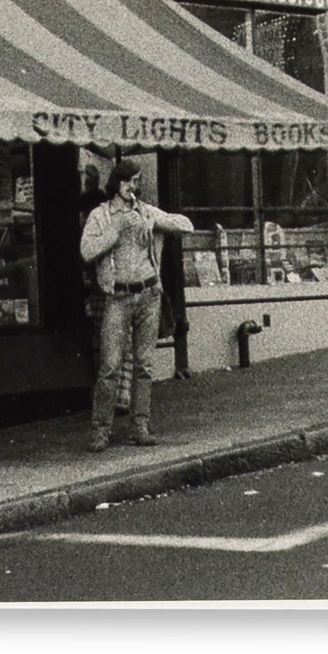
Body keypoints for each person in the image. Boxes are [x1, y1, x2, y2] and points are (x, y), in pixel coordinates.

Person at [78, 158, 193, 452]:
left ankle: (140, 425)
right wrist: (115, 231)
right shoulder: (101, 215)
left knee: (144, 365)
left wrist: (156, 222)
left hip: (148, 294)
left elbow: (186, 225)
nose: (134, 187)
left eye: (138, 181)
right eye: (130, 181)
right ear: (117, 183)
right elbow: (87, 251)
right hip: (117, 296)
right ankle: (100, 429)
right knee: (110, 365)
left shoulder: (145, 211)